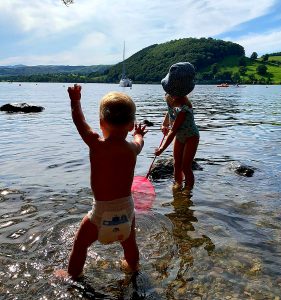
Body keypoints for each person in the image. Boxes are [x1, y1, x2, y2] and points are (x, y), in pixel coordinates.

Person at [55, 84, 147, 280]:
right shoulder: (132, 148)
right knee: (130, 244)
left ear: (101, 123)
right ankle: (132, 266)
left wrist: (75, 101)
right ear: (130, 125)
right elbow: (139, 142)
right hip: (127, 210)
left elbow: (79, 122)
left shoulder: (96, 144)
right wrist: (138, 134)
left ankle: (72, 275)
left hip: (101, 213)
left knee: (80, 245)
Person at [155, 62, 199, 195]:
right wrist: (164, 124)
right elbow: (169, 112)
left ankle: (188, 190)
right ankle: (178, 184)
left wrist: (162, 149)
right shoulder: (170, 98)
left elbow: (173, 131)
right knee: (176, 164)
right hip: (180, 136)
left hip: (191, 136)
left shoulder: (185, 106)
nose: (170, 94)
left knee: (186, 167)